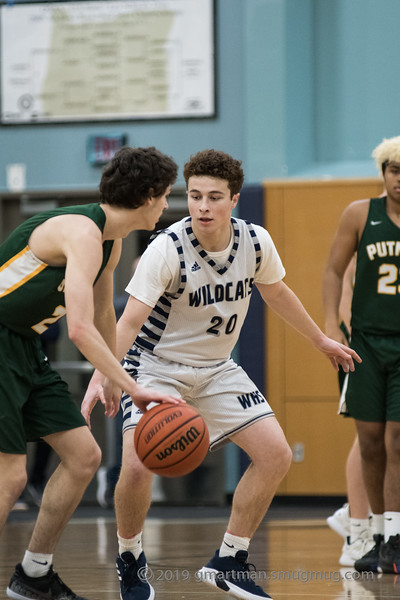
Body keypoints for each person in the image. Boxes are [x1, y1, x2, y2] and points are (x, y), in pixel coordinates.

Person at [82, 149, 361, 600]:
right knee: (136, 463)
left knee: (276, 455)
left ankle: (229, 560)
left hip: (216, 369)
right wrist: (103, 373)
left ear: (234, 199)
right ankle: (130, 559)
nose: (203, 207)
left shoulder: (254, 242)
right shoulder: (166, 248)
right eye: (194, 196)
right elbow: (128, 323)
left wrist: (321, 341)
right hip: (155, 367)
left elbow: (277, 293)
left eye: (214, 197)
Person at [0, 145, 183, 600]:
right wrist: (133, 387)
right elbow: (79, 330)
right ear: (147, 195)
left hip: (22, 345)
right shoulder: (81, 232)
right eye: (165, 196)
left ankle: (34, 575)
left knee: (84, 456)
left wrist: (110, 375)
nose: (166, 205)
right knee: (11, 476)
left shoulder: (110, 241)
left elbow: (103, 315)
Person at [323, 134, 400, 574]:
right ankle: (368, 530)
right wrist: (332, 328)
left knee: (396, 440)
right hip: (365, 344)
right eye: (393, 170)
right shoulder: (361, 215)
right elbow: (335, 272)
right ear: (383, 173)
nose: (399, 180)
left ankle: (389, 533)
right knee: (370, 442)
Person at [325, 258, 373, 566]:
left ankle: (357, 513)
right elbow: (343, 281)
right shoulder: (370, 221)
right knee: (370, 434)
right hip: (368, 345)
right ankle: (357, 529)